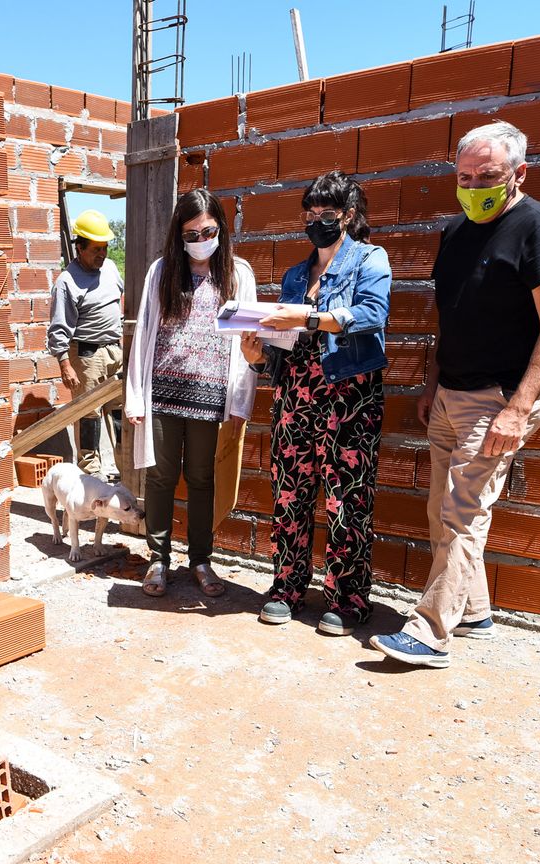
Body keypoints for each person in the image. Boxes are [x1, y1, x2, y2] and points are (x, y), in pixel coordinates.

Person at [372, 121, 540, 667]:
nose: (472, 186)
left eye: (486, 176)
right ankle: (476, 612)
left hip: (501, 399)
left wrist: (518, 408)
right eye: (463, 176)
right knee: (444, 512)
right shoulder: (456, 231)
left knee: (464, 512)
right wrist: (433, 383)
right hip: (450, 393)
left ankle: (431, 633)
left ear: (518, 174)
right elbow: (450, 314)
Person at [239, 171, 392, 637]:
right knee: (289, 496)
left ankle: (347, 600)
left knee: (347, 500)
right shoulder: (294, 274)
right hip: (295, 400)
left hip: (349, 399)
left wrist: (307, 315)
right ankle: (287, 587)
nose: (316, 221)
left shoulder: (371, 259)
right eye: (310, 213)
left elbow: (371, 314)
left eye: (326, 213)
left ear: (348, 215)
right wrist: (257, 356)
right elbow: (285, 346)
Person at [125, 188, 257, 598]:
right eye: (191, 234)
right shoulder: (162, 271)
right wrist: (136, 396)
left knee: (202, 479)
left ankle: (201, 559)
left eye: (209, 231)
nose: (201, 240)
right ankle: (158, 559)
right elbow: (145, 331)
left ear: (221, 228)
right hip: (162, 393)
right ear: (178, 235)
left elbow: (247, 342)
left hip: (210, 395)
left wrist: (240, 401)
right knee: (161, 478)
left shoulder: (238, 274)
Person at [48, 208, 125, 478]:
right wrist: (64, 364)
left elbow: (121, 300)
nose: (102, 255)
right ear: (79, 247)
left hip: (115, 350)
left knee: (120, 412)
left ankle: (125, 468)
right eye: (95, 249)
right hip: (87, 357)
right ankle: (91, 475)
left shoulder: (111, 268)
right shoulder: (67, 282)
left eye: (104, 248)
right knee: (88, 415)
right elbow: (58, 328)